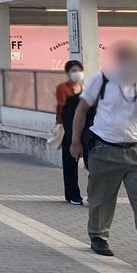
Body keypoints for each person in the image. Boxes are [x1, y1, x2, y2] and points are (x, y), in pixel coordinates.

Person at [69, 42, 137, 269]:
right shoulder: (103, 79)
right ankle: (98, 236)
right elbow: (81, 110)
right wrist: (75, 141)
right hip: (105, 148)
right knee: (102, 197)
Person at [55, 59, 86, 205]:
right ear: (68, 73)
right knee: (69, 163)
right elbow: (61, 107)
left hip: (83, 128)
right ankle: (72, 194)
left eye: (79, 70)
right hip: (68, 127)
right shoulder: (63, 88)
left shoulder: (84, 88)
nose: (77, 73)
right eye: (73, 71)